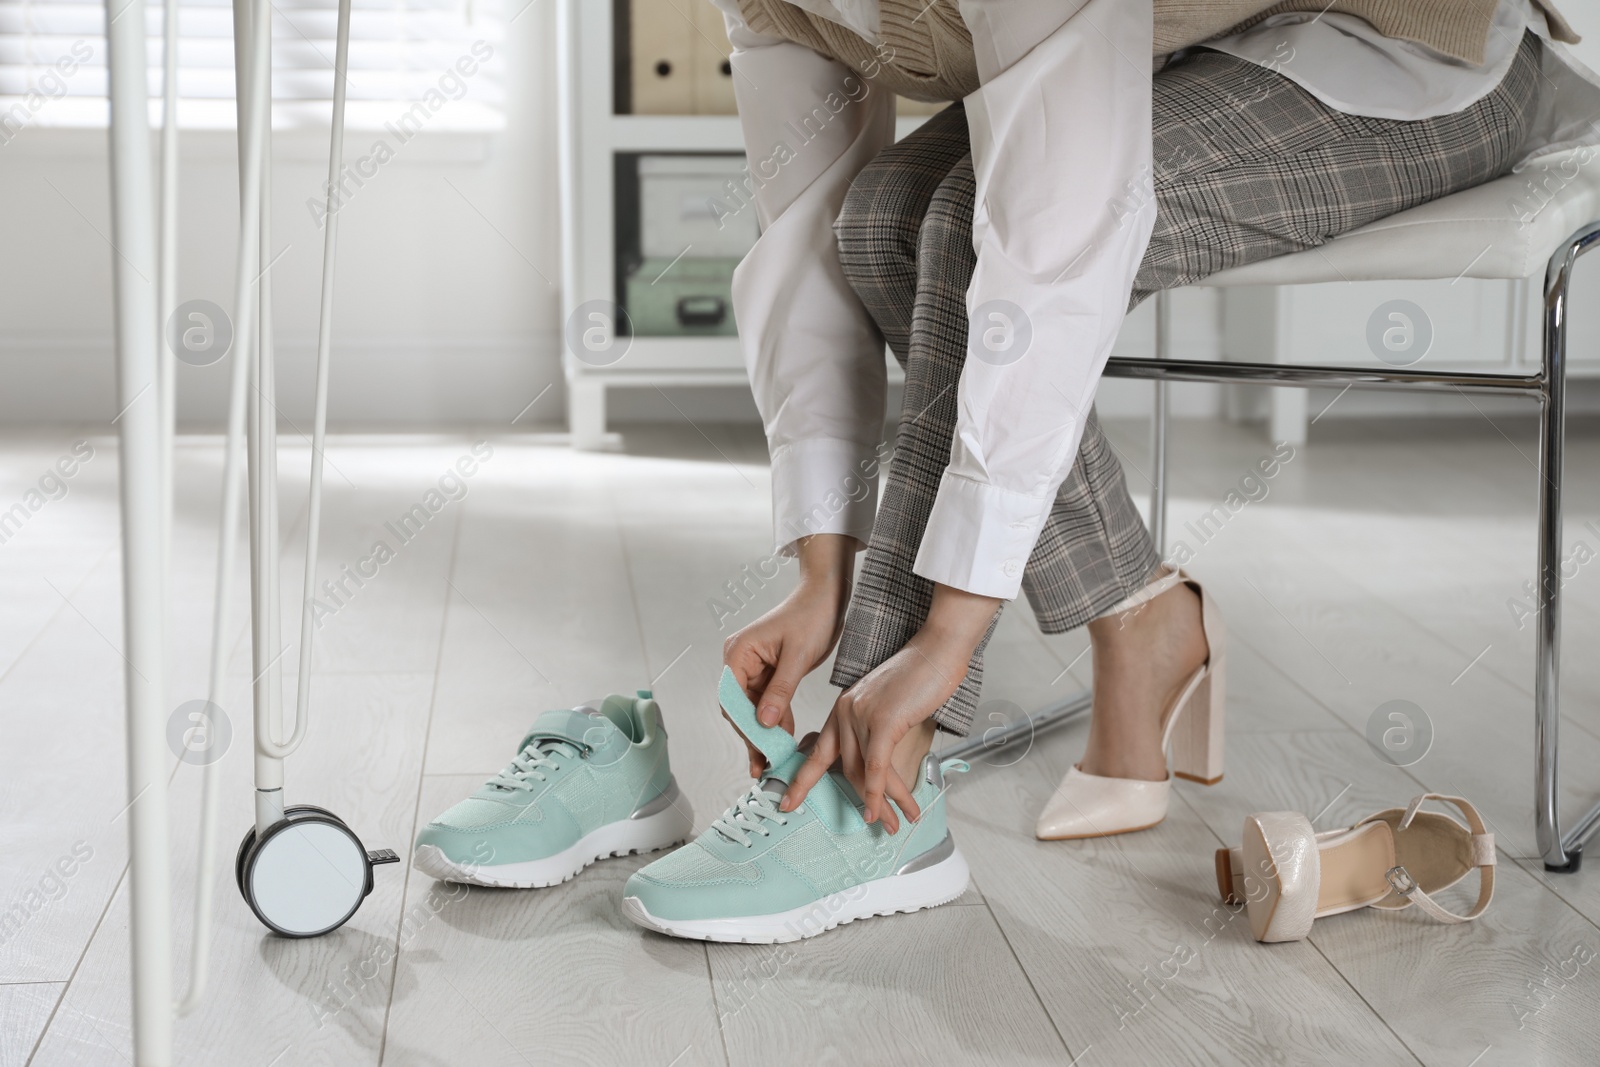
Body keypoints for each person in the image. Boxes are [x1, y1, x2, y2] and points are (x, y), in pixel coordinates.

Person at [712, 0, 1592, 846]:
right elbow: (803, 235)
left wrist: (945, 637)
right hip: (1179, 53)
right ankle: (1142, 619)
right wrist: (820, 573)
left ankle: (871, 778)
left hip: (1406, 49)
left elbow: (1048, 249)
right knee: (879, 222)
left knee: (960, 229)